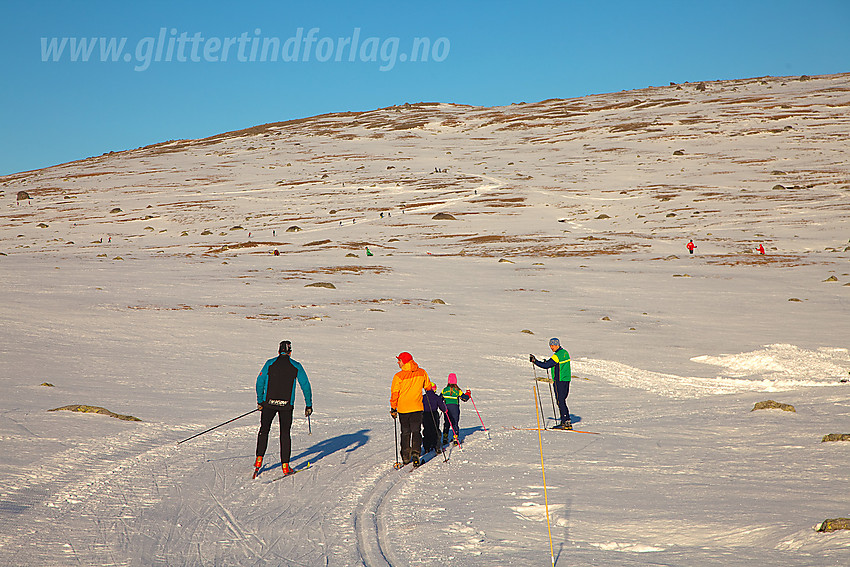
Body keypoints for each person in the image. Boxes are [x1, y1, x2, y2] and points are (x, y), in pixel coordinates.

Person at [254, 340, 313, 478]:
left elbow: (259, 382)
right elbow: (305, 385)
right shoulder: (296, 366)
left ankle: (258, 461)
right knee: (285, 434)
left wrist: (260, 400)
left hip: (268, 404)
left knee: (264, 430)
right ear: (290, 352)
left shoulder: (270, 363)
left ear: (278, 351)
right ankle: (285, 466)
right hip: (286, 406)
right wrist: (308, 404)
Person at [390, 352, 434, 467]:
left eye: (399, 360)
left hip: (403, 409)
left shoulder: (398, 376)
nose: (398, 362)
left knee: (405, 432)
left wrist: (393, 408)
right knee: (416, 431)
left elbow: (395, 394)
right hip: (417, 407)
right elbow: (428, 387)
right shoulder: (422, 373)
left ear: (404, 361)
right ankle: (416, 454)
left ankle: (405, 457)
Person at [531, 338, 572, 430]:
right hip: (567, 379)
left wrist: (535, 361)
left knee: (560, 401)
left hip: (559, 380)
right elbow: (553, 363)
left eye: (553, 345)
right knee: (562, 400)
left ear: (557, 344)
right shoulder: (565, 353)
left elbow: (546, 366)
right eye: (550, 346)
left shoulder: (557, 355)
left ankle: (565, 421)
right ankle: (566, 421)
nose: (551, 347)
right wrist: (549, 362)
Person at [441, 373, 470, 446]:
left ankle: (445, 437)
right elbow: (464, 398)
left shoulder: (444, 390)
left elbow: (440, 398)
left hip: (446, 409)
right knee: (455, 422)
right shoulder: (457, 390)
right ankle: (455, 438)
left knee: (447, 422)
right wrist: (468, 394)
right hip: (455, 409)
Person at [422, 384, 447, 455]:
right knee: (435, 429)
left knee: (426, 430)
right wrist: (444, 409)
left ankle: (426, 446)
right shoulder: (436, 397)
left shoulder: (423, 397)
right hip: (434, 414)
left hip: (425, 415)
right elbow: (443, 408)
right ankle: (436, 446)